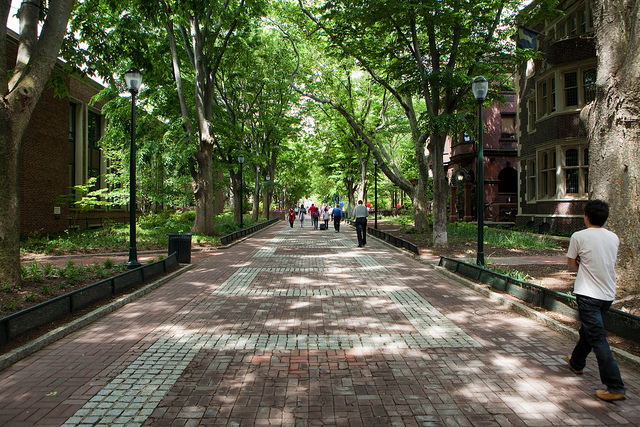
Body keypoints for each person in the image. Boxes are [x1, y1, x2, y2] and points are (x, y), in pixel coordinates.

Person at [566, 199, 626, 401]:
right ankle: (576, 362)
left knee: (597, 337)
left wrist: (580, 262)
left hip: (588, 294)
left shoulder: (578, 236)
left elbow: (571, 267)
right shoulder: (613, 237)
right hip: (607, 294)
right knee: (589, 332)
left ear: (587, 216)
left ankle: (615, 386)